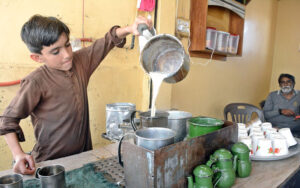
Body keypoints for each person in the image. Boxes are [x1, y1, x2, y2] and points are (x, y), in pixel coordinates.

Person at [0, 14, 152, 175]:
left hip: (84, 161)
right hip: (50, 164)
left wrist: (130, 28)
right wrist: (18, 154)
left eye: (67, 45)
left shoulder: (80, 63)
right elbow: (7, 120)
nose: (67, 55)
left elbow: (107, 40)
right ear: (37, 58)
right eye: (55, 51)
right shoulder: (35, 82)